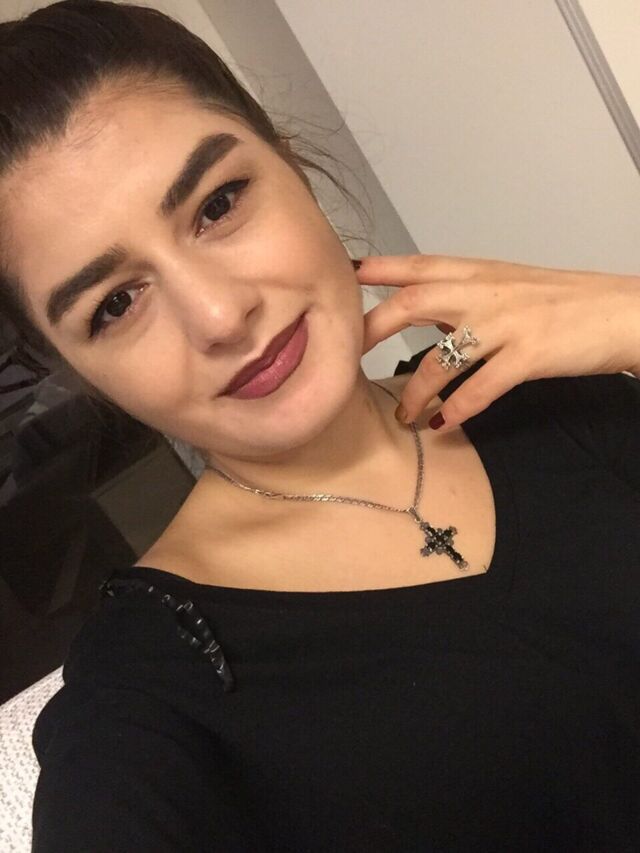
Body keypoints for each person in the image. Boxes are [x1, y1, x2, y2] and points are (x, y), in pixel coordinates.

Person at [0, 1, 638, 850]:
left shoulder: (537, 390)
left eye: (219, 203)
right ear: (79, 370)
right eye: (115, 303)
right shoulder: (145, 704)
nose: (220, 314)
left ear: (292, 163)